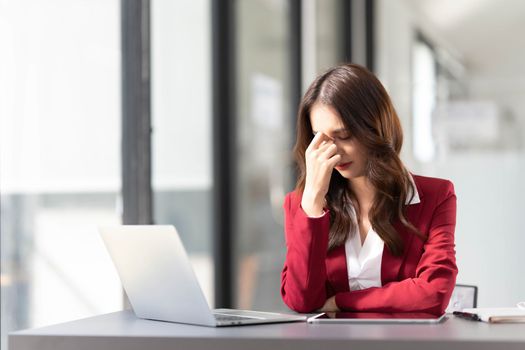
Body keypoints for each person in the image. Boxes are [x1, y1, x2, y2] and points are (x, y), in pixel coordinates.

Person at [280, 63, 457, 315]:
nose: (334, 151)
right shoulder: (302, 204)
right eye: (322, 139)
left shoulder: (435, 196)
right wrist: (313, 200)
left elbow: (434, 293)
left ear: (376, 127)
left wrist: (341, 302)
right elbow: (301, 301)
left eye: (344, 136)